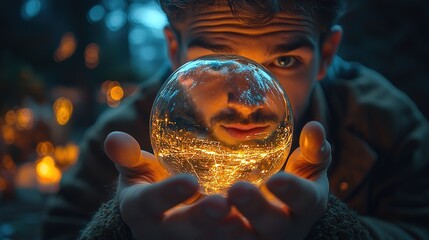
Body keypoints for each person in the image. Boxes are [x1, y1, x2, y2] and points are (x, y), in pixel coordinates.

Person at [41, 0, 429, 239]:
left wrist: (322, 229)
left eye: (284, 61)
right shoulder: (122, 135)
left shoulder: (385, 125)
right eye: (216, 64)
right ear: (174, 50)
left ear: (326, 55)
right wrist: (124, 229)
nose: (246, 102)